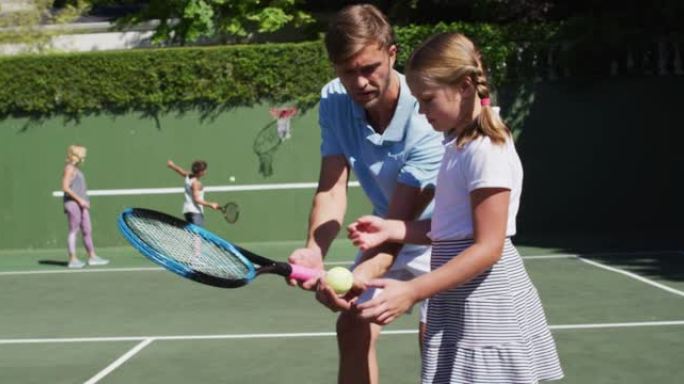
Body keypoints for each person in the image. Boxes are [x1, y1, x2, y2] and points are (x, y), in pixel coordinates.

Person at [347, 32, 564, 383]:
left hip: (487, 305)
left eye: (428, 99)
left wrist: (414, 290)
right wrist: (394, 229)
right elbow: (452, 231)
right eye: (417, 99)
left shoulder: (485, 150)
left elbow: (487, 247)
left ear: (464, 86)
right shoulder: (457, 145)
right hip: (459, 298)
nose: (420, 110)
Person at [285, 4, 445, 384]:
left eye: (369, 68)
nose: (359, 83)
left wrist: (358, 276)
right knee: (353, 326)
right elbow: (331, 187)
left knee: (434, 340)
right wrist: (313, 249)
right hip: (385, 228)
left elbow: (397, 230)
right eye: (347, 72)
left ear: (392, 54)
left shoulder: (426, 118)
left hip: (441, 236)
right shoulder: (335, 99)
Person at [61, 145, 109, 269]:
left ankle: (92, 257)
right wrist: (80, 200)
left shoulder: (76, 169)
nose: (85, 156)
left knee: (87, 230)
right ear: (76, 155)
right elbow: (65, 187)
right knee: (74, 231)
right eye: (83, 153)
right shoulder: (69, 168)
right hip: (72, 204)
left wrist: (84, 201)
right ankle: (72, 259)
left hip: (82, 204)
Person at [167, 160, 220, 226]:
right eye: (204, 170)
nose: (206, 171)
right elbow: (197, 200)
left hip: (187, 211)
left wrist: (172, 165)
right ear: (200, 172)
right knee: (197, 235)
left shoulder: (189, 176)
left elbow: (181, 171)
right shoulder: (196, 184)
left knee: (192, 234)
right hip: (195, 212)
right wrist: (211, 204)